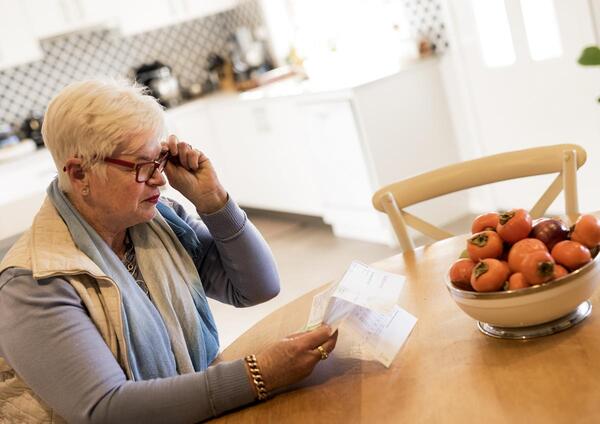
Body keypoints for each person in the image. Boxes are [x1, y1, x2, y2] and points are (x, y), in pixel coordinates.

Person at [0, 79, 338, 423]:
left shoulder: (158, 221)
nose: (160, 179)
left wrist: (214, 200)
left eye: (159, 159)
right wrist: (257, 374)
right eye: (141, 166)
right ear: (79, 173)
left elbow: (256, 287)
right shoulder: (32, 282)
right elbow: (106, 410)